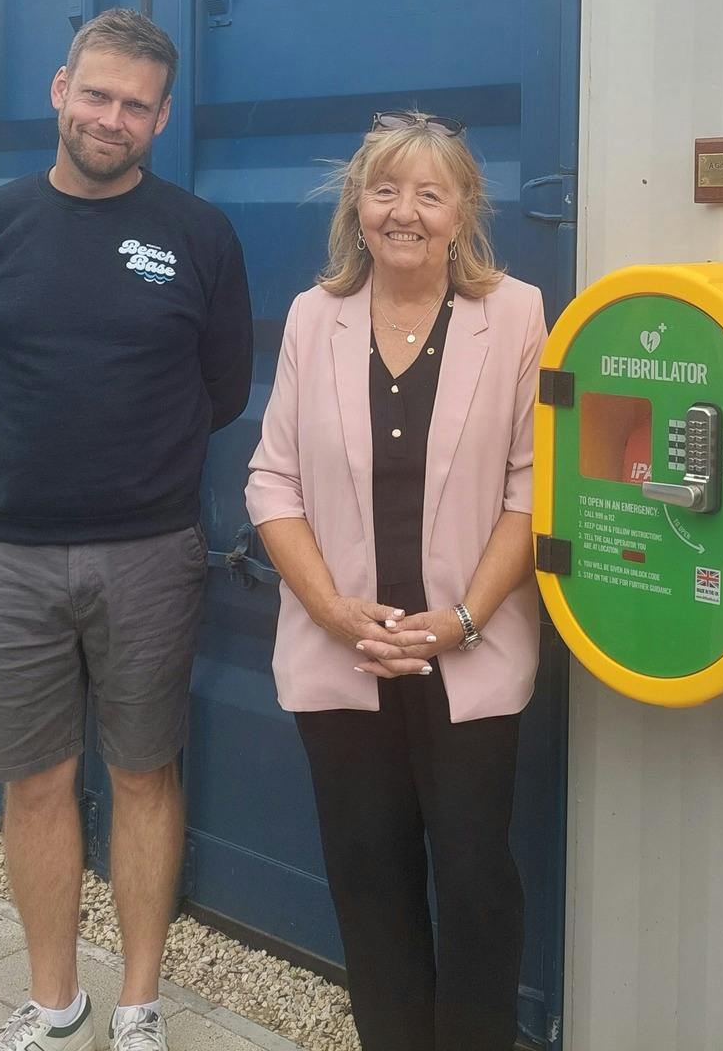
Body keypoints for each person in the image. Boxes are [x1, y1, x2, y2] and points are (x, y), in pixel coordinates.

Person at [0, 8, 253, 1051]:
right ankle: (56, 1001)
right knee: (31, 781)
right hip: (11, 554)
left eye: (135, 104)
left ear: (161, 118)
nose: (111, 118)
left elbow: (219, 389)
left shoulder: (199, 236)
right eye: (97, 93)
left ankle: (137, 1005)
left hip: (151, 555)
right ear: (59, 89)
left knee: (141, 773)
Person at [245, 111, 547, 1051]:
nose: (404, 212)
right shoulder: (312, 316)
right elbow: (272, 479)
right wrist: (334, 614)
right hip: (344, 658)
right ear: (357, 206)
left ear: (463, 214)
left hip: (470, 654)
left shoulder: (518, 314)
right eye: (384, 190)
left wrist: (462, 617)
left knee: (473, 879)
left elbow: (531, 488)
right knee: (367, 877)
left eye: (430, 193)